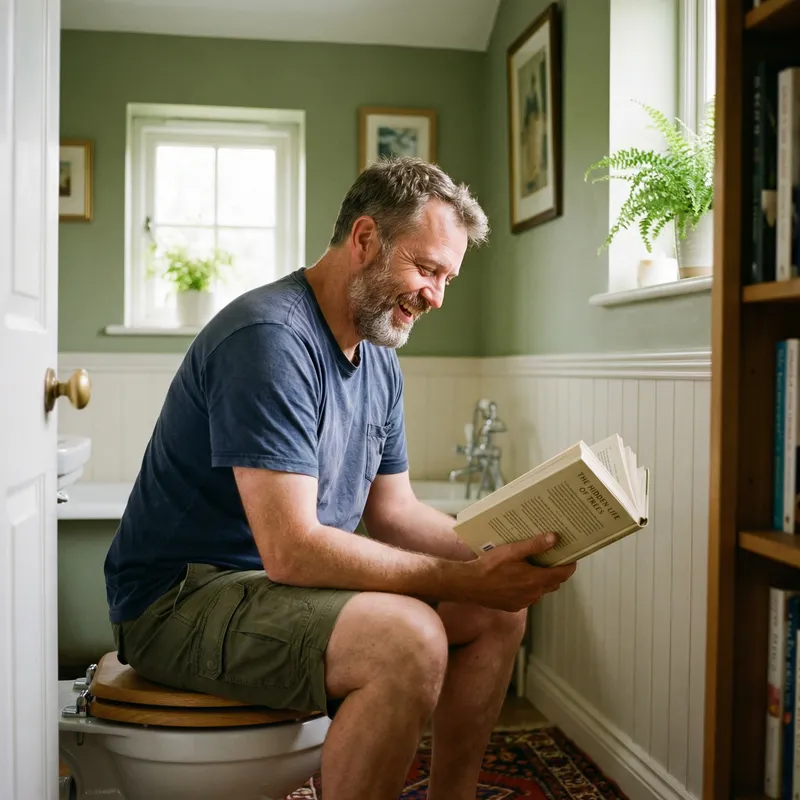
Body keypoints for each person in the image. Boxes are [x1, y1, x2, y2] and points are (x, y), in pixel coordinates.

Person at [103, 156, 576, 800]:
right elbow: (293, 549)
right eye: (427, 268)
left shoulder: (379, 358)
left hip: (270, 588)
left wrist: (506, 550)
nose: (436, 295)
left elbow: (395, 512)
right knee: (408, 641)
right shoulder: (271, 338)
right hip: (179, 599)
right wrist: (465, 576)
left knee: (498, 614)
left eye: (448, 278)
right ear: (364, 240)